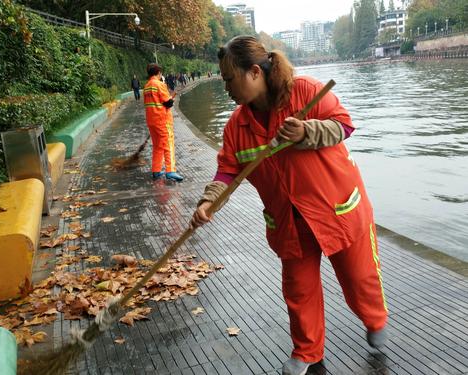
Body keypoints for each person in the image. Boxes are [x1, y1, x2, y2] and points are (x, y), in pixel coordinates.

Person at [191, 36, 388, 375]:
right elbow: (227, 169)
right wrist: (210, 201)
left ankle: (375, 318)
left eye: (228, 78)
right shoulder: (236, 126)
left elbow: (344, 125)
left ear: (254, 72)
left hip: (338, 209)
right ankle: (308, 350)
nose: (226, 87)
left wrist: (307, 132)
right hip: (289, 221)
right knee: (299, 290)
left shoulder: (306, 92)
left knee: (359, 280)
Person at [143, 63, 183, 182]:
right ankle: (170, 171)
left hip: (151, 121)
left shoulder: (147, 86)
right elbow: (168, 103)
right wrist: (172, 99)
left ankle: (156, 170)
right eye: (161, 73)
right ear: (158, 73)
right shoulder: (159, 85)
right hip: (162, 120)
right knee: (168, 144)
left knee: (157, 146)